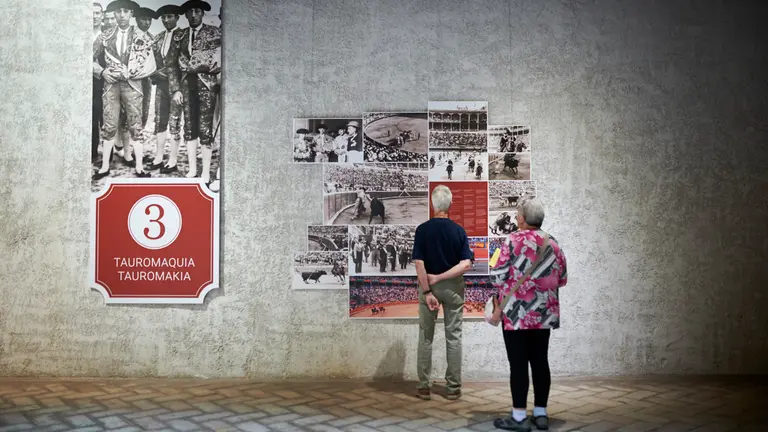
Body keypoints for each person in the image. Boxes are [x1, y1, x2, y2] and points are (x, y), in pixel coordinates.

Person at [488, 197, 568, 431]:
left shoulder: (512, 241)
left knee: (519, 364)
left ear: (522, 219)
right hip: (543, 314)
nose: (516, 218)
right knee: (541, 362)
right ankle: (541, 414)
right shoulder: (552, 243)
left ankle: (520, 417)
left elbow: (497, 277)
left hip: (516, 315)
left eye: (517, 215)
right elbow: (562, 279)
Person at [412, 185, 472, 401]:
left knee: (425, 337)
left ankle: (424, 386)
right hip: (453, 288)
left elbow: (419, 263)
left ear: (432, 204)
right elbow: (466, 264)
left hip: (428, 286)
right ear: (450, 205)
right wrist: (443, 277)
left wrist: (429, 288)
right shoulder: (458, 231)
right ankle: (453, 388)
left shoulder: (422, 230)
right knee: (453, 337)